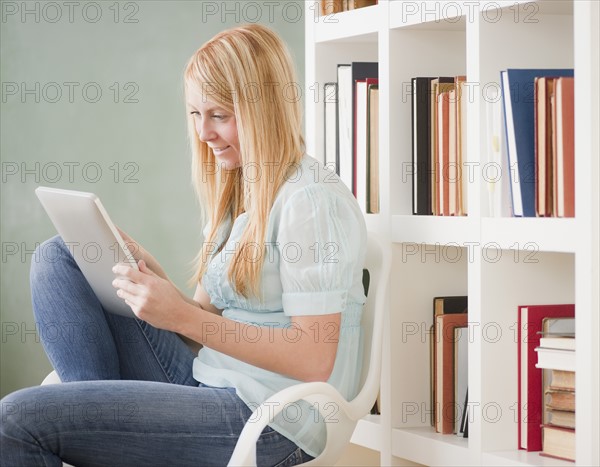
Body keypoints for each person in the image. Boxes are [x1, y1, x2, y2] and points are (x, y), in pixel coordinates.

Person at [0, 23, 367, 466]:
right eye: (195, 114)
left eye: (219, 115)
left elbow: (313, 360)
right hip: (208, 380)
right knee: (60, 256)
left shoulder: (309, 200)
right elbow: (206, 325)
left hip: (268, 418)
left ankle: (98, 440)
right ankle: (102, 440)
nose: (203, 132)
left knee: (15, 420)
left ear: (263, 110)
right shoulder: (244, 192)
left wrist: (181, 316)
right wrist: (163, 291)